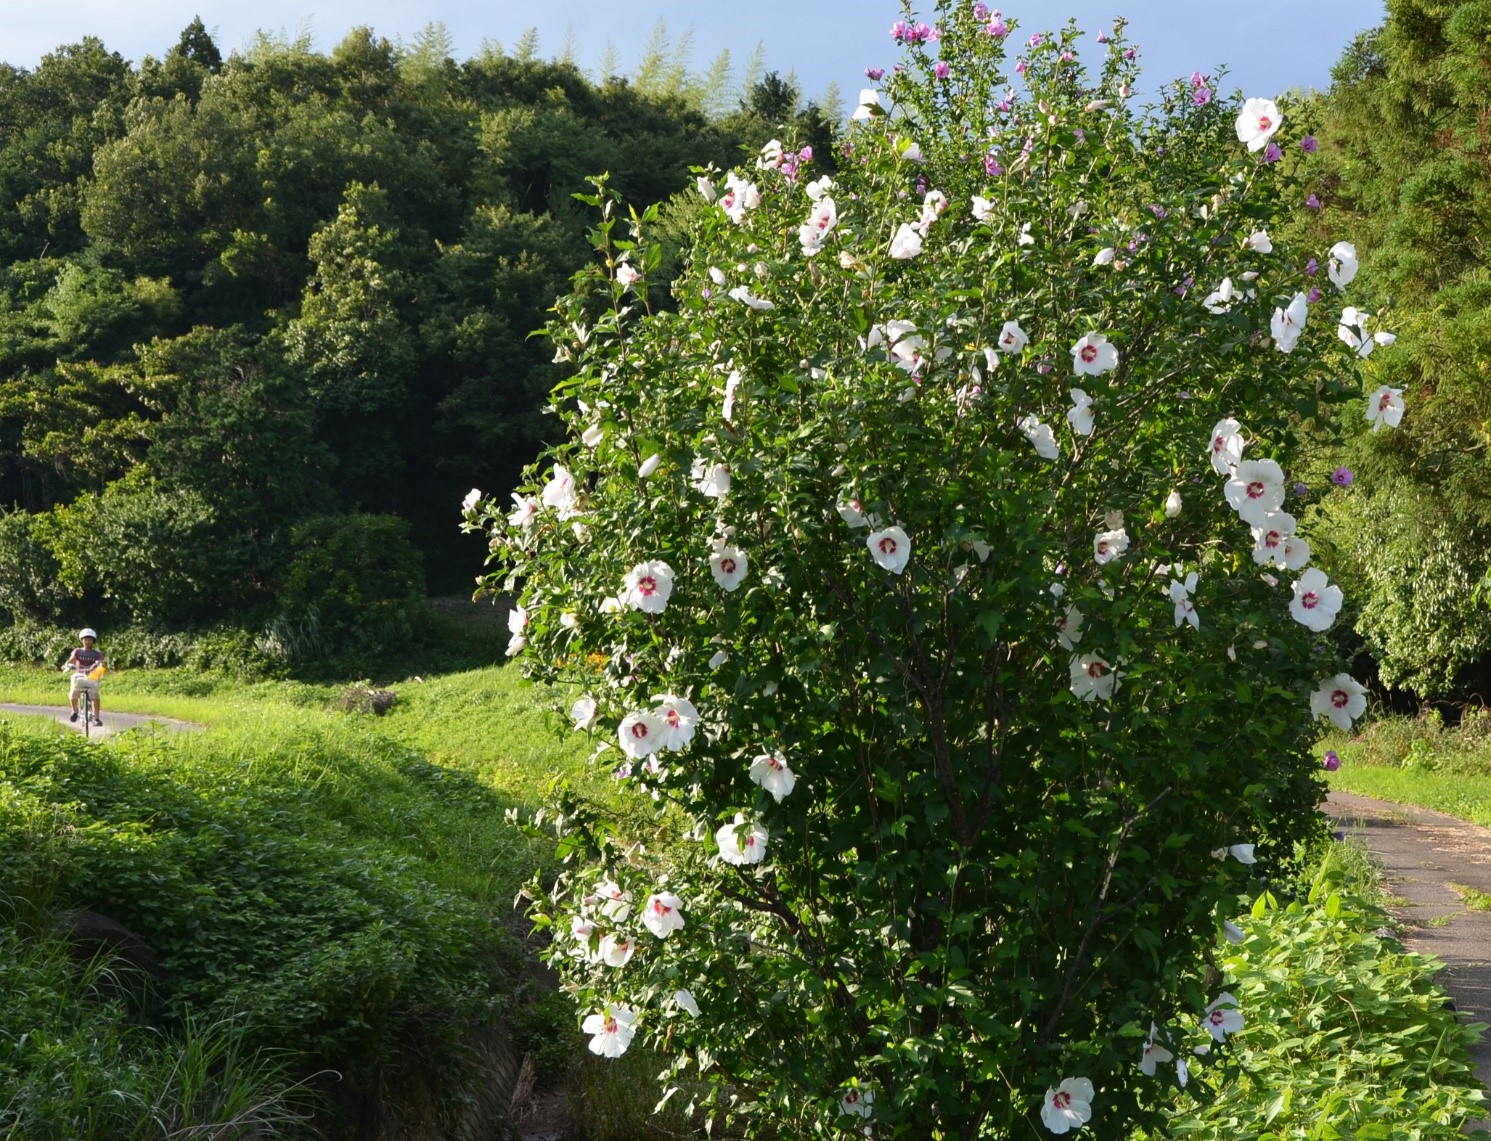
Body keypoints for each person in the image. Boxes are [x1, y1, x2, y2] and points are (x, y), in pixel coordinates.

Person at [62, 627, 106, 725]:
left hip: (92, 675)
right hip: (79, 674)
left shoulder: (97, 653)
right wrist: (66, 665)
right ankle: (74, 711)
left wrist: (99, 665)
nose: (87, 641)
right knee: (73, 692)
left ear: (93, 641)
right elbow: (71, 659)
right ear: (82, 640)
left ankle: (96, 718)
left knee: (95, 694)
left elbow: (101, 663)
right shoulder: (77, 651)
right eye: (85, 639)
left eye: (89, 639)